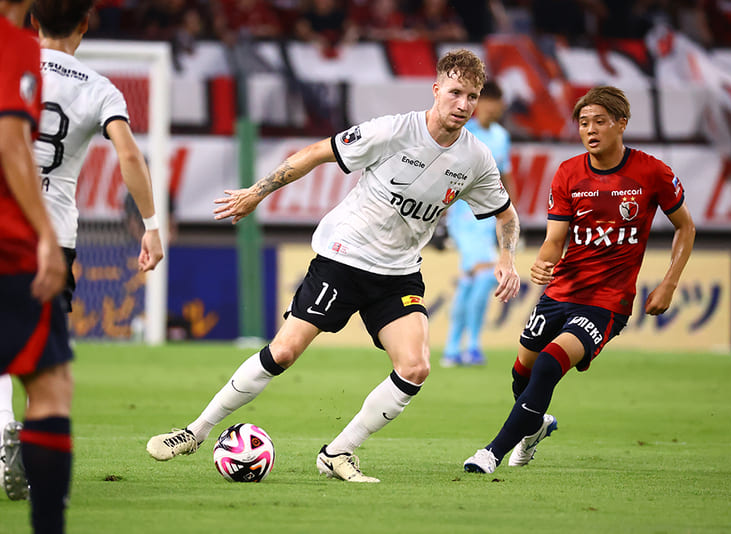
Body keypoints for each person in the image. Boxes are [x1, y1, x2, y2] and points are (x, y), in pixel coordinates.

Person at [147, 48, 521, 483]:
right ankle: (195, 431)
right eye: (455, 92)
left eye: (472, 97)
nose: (463, 105)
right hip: (344, 258)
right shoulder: (392, 131)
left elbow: (505, 213)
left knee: (415, 367)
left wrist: (507, 259)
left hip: (398, 271)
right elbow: (316, 152)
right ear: (436, 90)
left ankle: (338, 452)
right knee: (283, 352)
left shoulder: (476, 158)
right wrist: (257, 191)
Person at [463, 86, 696, 474]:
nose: (590, 130)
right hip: (561, 291)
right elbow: (556, 240)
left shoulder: (652, 172)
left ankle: (491, 452)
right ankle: (534, 427)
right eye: (583, 123)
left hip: (607, 301)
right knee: (523, 371)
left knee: (551, 363)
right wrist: (542, 263)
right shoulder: (569, 173)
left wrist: (669, 282)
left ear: (622, 124)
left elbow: (685, 227)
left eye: (600, 122)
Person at [0, 0, 166, 504]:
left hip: (5, 217)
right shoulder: (99, 88)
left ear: (34, 20)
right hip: (54, 235)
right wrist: (152, 226)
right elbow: (129, 155)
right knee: (42, 357)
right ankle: (28, 441)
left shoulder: (10, 61)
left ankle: (5, 424)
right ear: (85, 25)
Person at [0, 0, 74, 531]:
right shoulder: (17, 44)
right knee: (50, 386)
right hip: (7, 243)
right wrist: (45, 235)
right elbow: (10, 143)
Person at [441, 80, 514, 367]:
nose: (495, 108)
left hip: (490, 219)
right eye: (490, 101)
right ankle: (471, 345)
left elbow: (505, 177)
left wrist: (511, 216)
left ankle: (451, 349)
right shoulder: (462, 133)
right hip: (464, 216)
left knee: (470, 281)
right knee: (484, 276)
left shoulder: (501, 136)